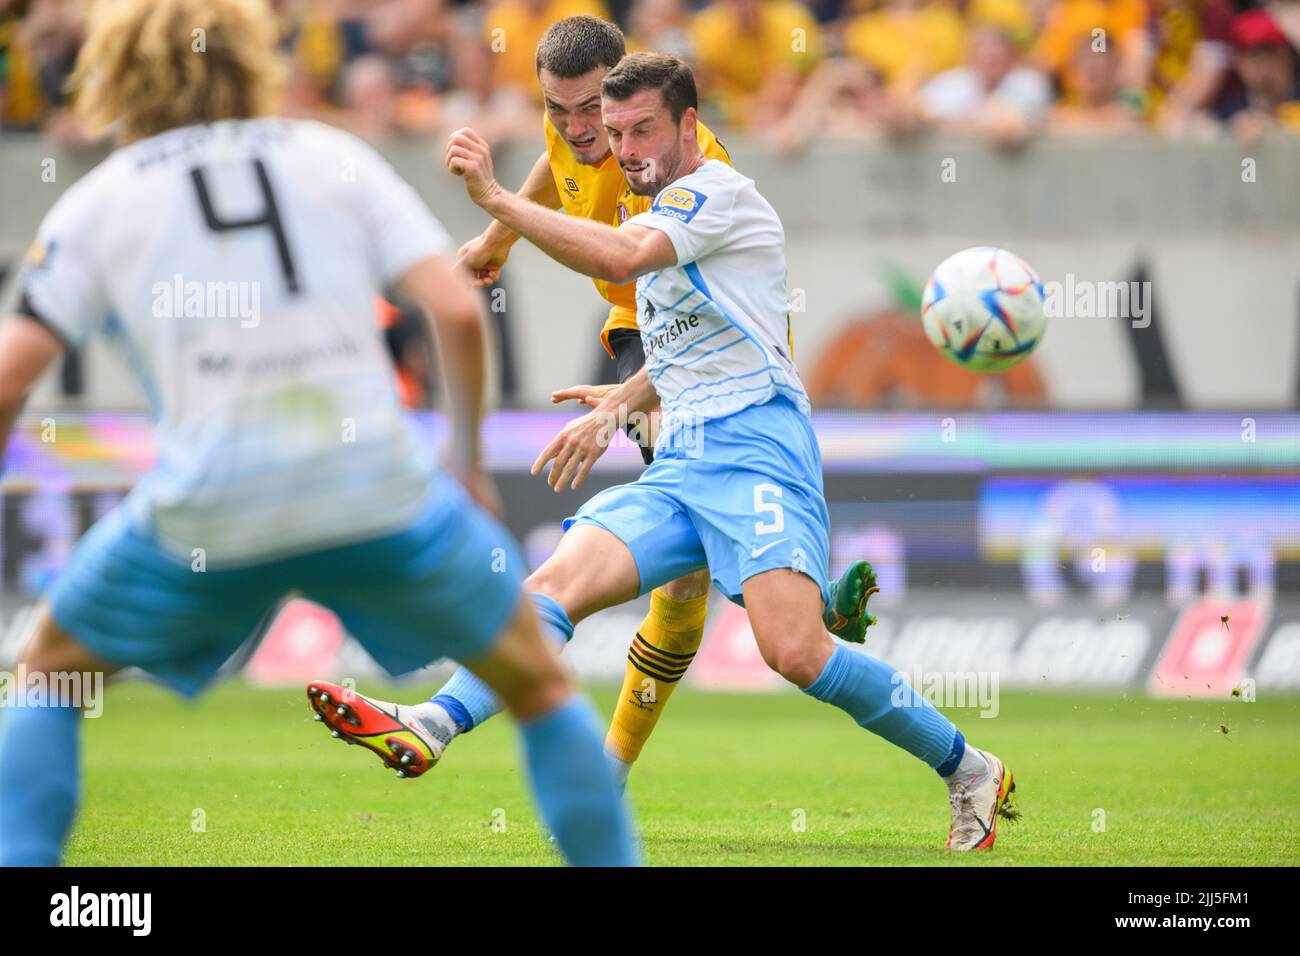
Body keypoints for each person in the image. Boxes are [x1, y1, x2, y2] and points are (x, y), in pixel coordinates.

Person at [0, 0, 635, 868]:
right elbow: (454, 305)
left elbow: (8, 378)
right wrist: (462, 465)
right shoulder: (331, 155)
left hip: (210, 510)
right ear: (256, 58)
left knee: (48, 673)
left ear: (117, 69)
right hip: (378, 491)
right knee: (537, 682)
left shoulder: (100, 200)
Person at [444, 51, 1017, 849]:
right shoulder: (634, 195)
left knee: (794, 653)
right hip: (683, 451)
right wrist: (618, 404)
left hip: (756, 442)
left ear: (688, 123)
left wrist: (496, 207)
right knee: (558, 581)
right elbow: (683, 355)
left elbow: (618, 258)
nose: (620, 147)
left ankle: (968, 766)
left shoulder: (714, 190)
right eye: (613, 132)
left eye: (640, 129)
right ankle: (429, 723)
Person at [310, 15, 880, 794]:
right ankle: (802, 618)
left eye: (594, 114)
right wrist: (496, 242)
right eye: (560, 111)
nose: (581, 132)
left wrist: (501, 212)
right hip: (635, 326)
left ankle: (617, 759)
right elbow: (558, 165)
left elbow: (622, 250)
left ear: (627, 92)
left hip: (705, 340)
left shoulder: (687, 160)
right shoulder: (578, 129)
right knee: (676, 577)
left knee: (682, 591)